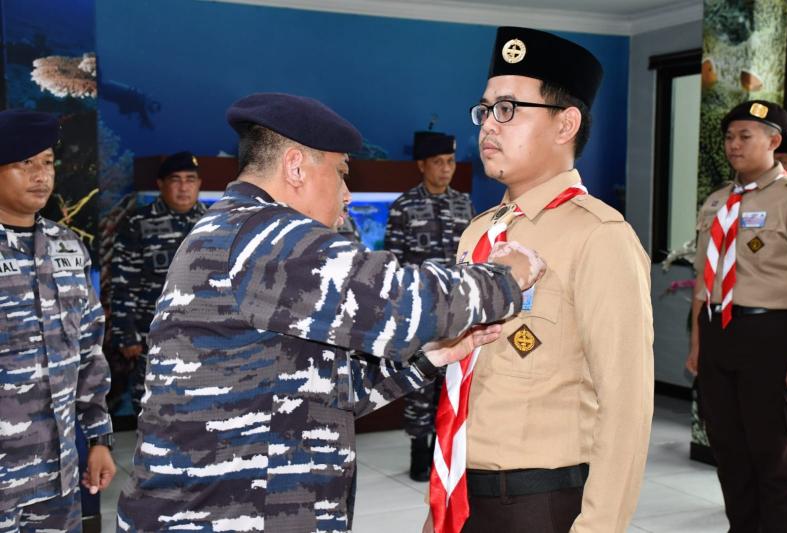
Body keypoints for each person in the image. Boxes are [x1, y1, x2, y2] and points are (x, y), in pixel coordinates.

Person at [116, 92, 546, 532]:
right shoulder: (269, 238)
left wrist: (431, 357)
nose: (346, 193)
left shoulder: (239, 229)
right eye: (341, 174)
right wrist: (505, 276)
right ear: (296, 166)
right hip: (222, 517)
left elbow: (326, 390)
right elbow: (401, 299)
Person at [426, 27, 654, 533]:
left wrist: (598, 525)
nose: (489, 125)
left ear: (564, 124)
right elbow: (463, 378)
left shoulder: (600, 236)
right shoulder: (478, 232)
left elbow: (627, 408)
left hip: (539, 503)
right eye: (485, 110)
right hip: (463, 491)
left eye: (508, 109)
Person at [686, 100, 787, 533]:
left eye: (745, 136)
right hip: (719, 335)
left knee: (775, 455)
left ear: (774, 141)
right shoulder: (718, 201)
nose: (734, 145)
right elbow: (703, 280)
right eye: (730, 136)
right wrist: (698, 343)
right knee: (730, 451)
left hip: (772, 335)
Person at [0, 110, 115, 532]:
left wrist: (100, 439)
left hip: (58, 480)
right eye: (23, 163)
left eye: (47, 162)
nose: (40, 175)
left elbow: (87, 349)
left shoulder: (67, 247)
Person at [384, 130, 474, 481]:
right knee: (419, 383)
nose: (446, 169)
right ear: (422, 165)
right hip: (419, 313)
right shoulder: (404, 207)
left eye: (450, 162)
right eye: (438, 162)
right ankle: (419, 452)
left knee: (451, 383)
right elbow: (394, 263)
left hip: (457, 313)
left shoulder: (464, 205)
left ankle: (445, 451)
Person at [110, 151, 206, 415]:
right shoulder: (138, 223)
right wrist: (126, 334)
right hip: (152, 338)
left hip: (203, 339)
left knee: (200, 412)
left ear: (199, 184)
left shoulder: (213, 223)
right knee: (152, 411)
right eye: (176, 180)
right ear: (160, 184)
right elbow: (122, 281)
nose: (184, 187)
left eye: (190, 179)